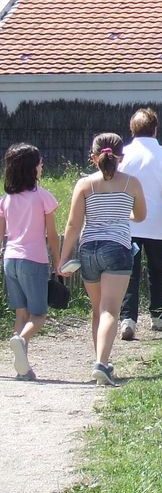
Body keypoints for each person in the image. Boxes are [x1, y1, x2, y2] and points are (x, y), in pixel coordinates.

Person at [58, 134, 147, 386]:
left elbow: (74, 224)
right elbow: (140, 216)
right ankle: (101, 363)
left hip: (88, 250)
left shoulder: (84, 184)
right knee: (111, 309)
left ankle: (101, 360)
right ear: (121, 157)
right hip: (117, 249)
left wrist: (63, 259)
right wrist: (123, 212)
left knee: (97, 309)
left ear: (94, 156)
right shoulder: (132, 183)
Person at [117, 108, 162, 341]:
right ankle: (158, 315)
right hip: (157, 224)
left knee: (130, 272)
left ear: (131, 129)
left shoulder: (123, 154)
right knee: (158, 270)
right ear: (155, 128)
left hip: (128, 223)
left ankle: (128, 318)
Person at [1, 143, 59, 380]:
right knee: (39, 315)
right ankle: (21, 340)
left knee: (21, 314)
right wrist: (59, 261)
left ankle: (22, 369)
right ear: (32, 169)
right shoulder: (43, 197)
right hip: (33, 260)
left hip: (10, 259)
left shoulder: (6, 199)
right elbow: (52, 236)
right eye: (39, 162)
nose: (42, 165)